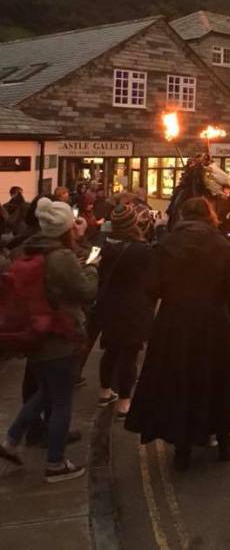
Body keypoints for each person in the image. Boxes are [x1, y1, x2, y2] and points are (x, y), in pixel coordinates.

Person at [125, 197, 230, 471]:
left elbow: (151, 288)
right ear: (210, 216)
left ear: (182, 215)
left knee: (178, 381)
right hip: (212, 322)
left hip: (175, 322)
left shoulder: (167, 245)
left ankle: (182, 448)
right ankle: (224, 439)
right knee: (217, 379)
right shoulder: (222, 245)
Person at [0, 198, 97, 482]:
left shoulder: (30, 249)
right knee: (62, 401)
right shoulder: (62, 257)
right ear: (65, 227)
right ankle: (55, 464)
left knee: (44, 392)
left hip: (36, 334)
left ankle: (10, 440)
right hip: (59, 334)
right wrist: (92, 267)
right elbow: (86, 291)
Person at [95, 205, 156, 420]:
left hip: (110, 304)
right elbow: (151, 278)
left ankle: (104, 392)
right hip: (134, 305)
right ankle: (124, 401)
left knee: (110, 350)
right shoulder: (142, 249)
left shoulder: (105, 246)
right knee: (129, 354)